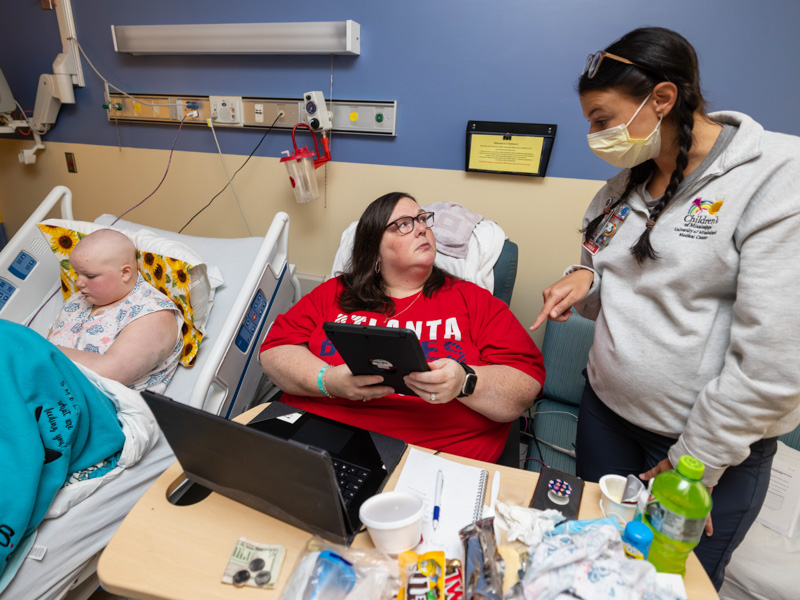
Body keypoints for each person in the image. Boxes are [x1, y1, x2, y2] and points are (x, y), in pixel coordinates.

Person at [530, 27, 800, 588]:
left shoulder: (776, 175)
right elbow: (604, 287)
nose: (594, 136)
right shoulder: (617, 191)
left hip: (698, 453)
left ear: (662, 99)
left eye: (603, 119)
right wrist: (579, 277)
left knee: (668, 583)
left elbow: (775, 362)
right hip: (605, 416)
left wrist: (689, 461)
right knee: (599, 563)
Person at [260, 192, 545, 462]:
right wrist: (328, 381)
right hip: (317, 441)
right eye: (403, 225)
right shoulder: (334, 293)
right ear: (375, 251)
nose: (422, 229)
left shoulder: (473, 300)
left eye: (423, 220)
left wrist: (465, 381)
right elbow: (275, 352)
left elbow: (525, 384)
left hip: (431, 455)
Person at [47, 228, 184, 393]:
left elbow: (109, 373)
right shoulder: (77, 301)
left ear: (125, 273)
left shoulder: (153, 313)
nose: (78, 283)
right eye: (77, 273)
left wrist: (39, 348)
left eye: (90, 276)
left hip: (102, 408)